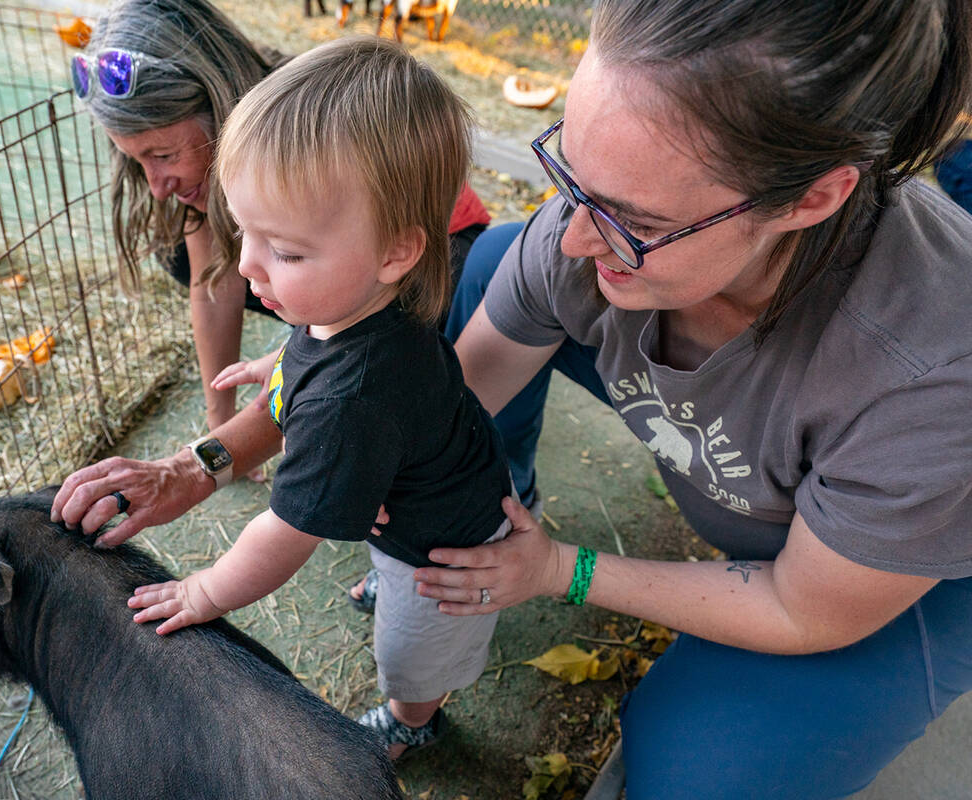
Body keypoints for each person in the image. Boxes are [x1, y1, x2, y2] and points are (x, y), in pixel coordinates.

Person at [405, 1, 972, 798]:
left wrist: (561, 570)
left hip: (899, 573)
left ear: (811, 199)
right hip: (796, 481)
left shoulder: (934, 370)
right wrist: (354, 391)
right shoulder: (597, 225)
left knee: (695, 774)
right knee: (498, 257)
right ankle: (511, 487)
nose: (571, 236)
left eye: (633, 220)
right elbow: (467, 382)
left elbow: (806, 610)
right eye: (570, 172)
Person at [118, 36, 515, 760]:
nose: (247, 266)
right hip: (440, 483)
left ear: (397, 250)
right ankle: (389, 582)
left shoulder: (348, 403)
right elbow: (326, 358)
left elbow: (284, 535)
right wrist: (280, 365)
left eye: (286, 251)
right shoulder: (357, 305)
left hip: (444, 553)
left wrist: (203, 593)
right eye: (245, 234)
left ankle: (412, 719)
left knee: (411, 652)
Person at [74, 0, 490, 476]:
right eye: (136, 160)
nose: (155, 184)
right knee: (187, 254)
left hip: (446, 252)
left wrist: (228, 449)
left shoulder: (294, 138)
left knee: (364, 382)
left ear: (215, 100)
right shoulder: (240, 146)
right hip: (356, 255)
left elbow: (334, 362)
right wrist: (218, 424)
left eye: (164, 154)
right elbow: (214, 284)